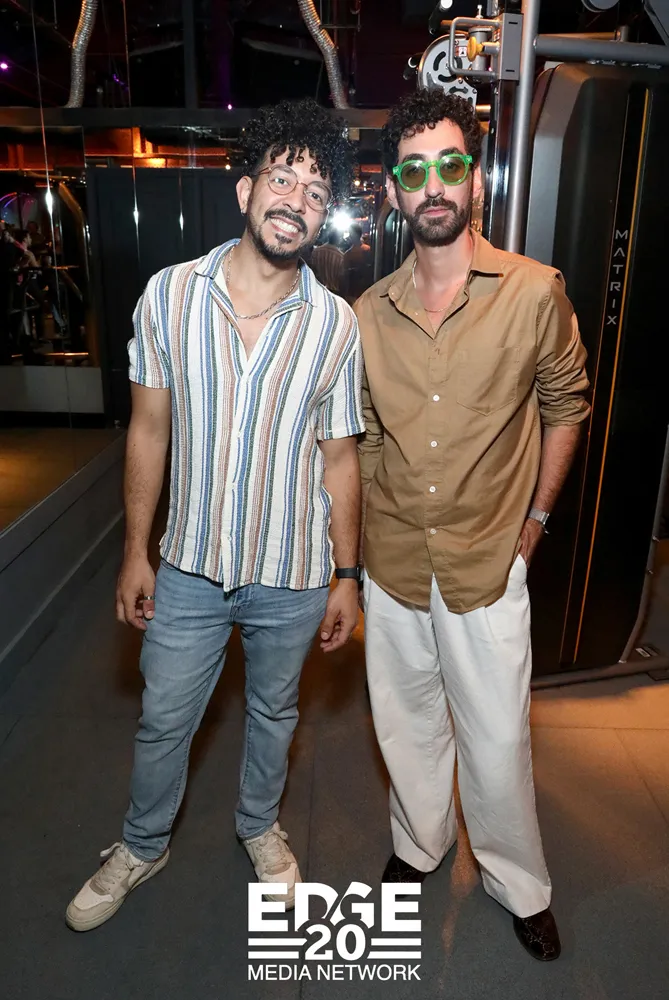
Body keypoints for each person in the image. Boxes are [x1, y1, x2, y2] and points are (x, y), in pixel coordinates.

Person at [66, 97, 364, 932]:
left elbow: (341, 459)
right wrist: (136, 550)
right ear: (245, 191)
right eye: (283, 178)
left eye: (315, 191)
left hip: (292, 570)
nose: (296, 200)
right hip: (190, 565)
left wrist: (347, 575)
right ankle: (142, 843)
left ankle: (258, 826)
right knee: (164, 719)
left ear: (322, 218)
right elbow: (148, 430)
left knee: (274, 714)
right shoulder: (168, 296)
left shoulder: (334, 325)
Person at [355, 90, 590, 963]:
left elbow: (568, 406)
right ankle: (420, 846)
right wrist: (356, 553)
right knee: (405, 725)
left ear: (476, 179)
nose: (433, 185)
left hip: (488, 558)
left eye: (449, 164)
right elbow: (366, 437)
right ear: (393, 192)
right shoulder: (366, 311)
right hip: (391, 561)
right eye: (413, 171)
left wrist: (536, 516)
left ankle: (516, 882)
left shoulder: (532, 291)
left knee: (495, 741)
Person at [341, 222, 373, 304]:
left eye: (351, 233)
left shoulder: (348, 254)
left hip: (355, 293)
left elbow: (345, 276)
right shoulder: (368, 249)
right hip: (361, 292)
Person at [311, 228, 344, 294]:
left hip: (317, 288)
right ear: (339, 239)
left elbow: (312, 269)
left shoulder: (316, 251)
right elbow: (341, 277)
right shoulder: (340, 256)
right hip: (333, 291)